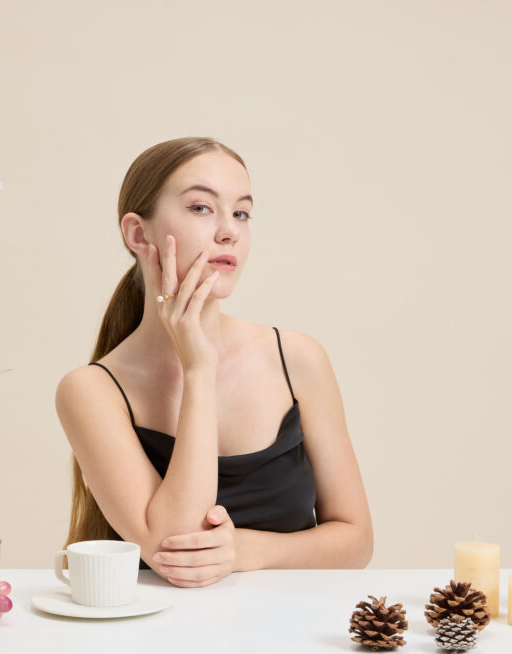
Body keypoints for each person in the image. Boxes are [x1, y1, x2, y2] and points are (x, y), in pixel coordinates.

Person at [55, 137, 372, 588]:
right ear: (138, 234)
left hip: (294, 622)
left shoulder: (298, 358)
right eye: (201, 208)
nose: (230, 232)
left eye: (241, 213)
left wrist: (245, 550)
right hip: (165, 623)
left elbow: (357, 542)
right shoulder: (90, 390)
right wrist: (198, 371)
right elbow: (176, 550)